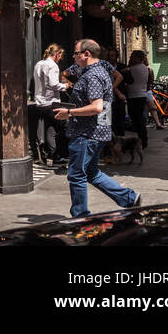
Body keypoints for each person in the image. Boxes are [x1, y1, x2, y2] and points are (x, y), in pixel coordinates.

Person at [54, 39, 141, 219]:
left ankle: (80, 216)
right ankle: (129, 198)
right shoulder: (98, 70)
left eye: (76, 53)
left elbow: (97, 107)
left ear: (86, 54)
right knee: (92, 173)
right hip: (97, 131)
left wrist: (69, 112)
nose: (73, 56)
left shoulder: (92, 76)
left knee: (76, 175)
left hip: (86, 133)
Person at [29, 45, 65, 164]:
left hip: (39, 103)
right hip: (51, 102)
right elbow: (54, 84)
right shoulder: (53, 65)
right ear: (57, 54)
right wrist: (65, 86)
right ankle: (55, 154)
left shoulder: (38, 64)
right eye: (60, 56)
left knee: (50, 127)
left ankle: (51, 154)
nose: (60, 59)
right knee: (61, 127)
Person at [126, 49, 154, 150]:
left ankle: (142, 140)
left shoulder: (133, 68)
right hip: (142, 95)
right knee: (139, 119)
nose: (130, 58)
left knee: (137, 119)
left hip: (134, 96)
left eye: (132, 56)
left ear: (138, 58)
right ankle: (143, 139)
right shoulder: (145, 68)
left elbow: (127, 78)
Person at [103, 47, 129, 137]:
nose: (110, 58)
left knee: (120, 123)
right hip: (105, 100)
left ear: (116, 57)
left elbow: (128, 80)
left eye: (112, 56)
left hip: (118, 100)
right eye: (108, 56)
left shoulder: (122, 67)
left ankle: (120, 145)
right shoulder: (104, 66)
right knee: (105, 124)